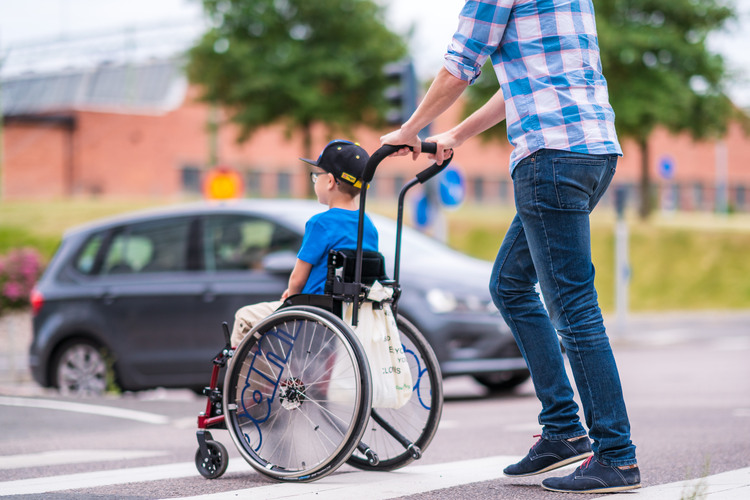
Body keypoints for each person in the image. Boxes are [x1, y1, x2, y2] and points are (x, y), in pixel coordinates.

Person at [381, 0, 640, 493]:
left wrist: (408, 131)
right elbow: (525, 87)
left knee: (574, 310)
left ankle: (617, 455)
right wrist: (454, 133)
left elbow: (461, 65)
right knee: (510, 284)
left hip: (550, 159)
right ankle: (563, 430)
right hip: (593, 152)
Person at [230, 140, 378, 347]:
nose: (314, 180)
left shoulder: (320, 223)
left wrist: (290, 296)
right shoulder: (368, 225)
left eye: (316, 175)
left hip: (315, 312)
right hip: (348, 313)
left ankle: (249, 379)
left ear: (330, 182)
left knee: (245, 316)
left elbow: (297, 279)